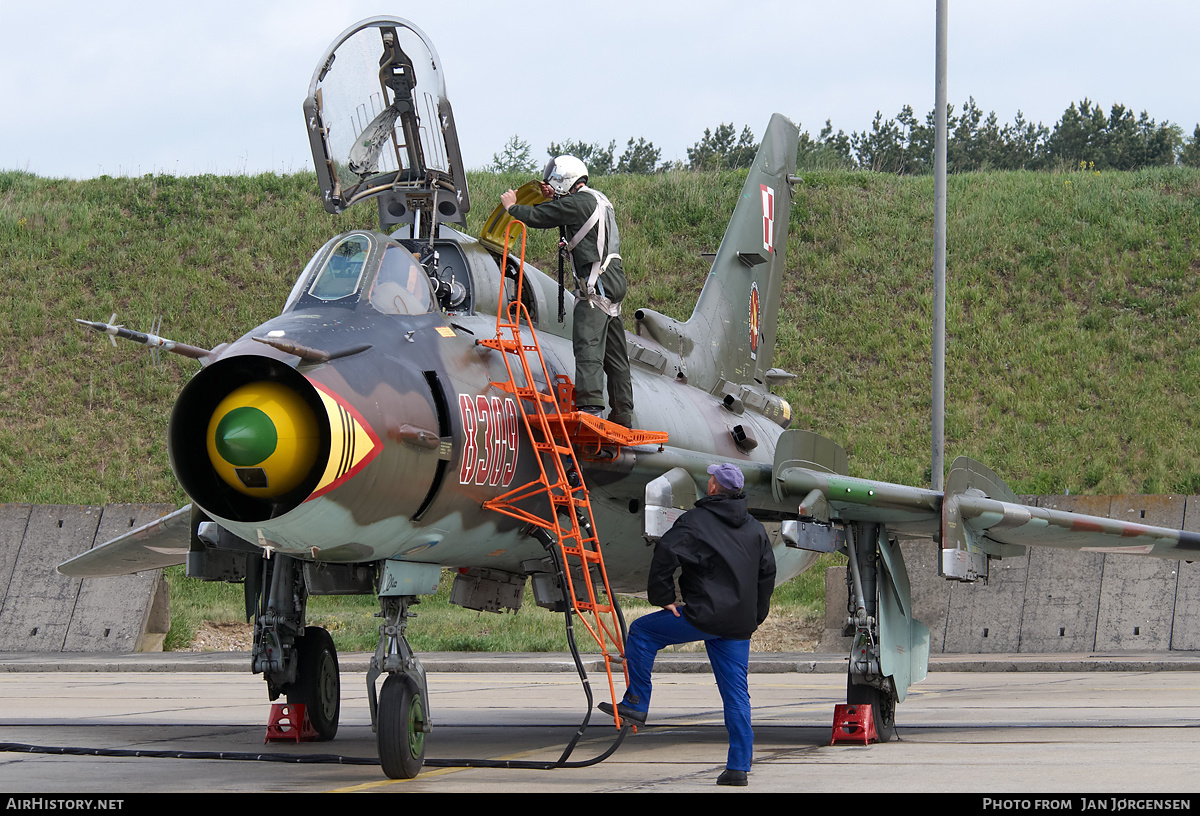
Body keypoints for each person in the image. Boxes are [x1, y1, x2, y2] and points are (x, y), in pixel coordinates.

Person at [599, 463, 776, 786]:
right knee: (736, 695)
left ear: (713, 487)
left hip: (704, 616)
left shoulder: (695, 522)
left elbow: (666, 552)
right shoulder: (754, 528)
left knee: (642, 632)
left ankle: (636, 703)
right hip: (738, 623)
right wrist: (755, 615)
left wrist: (663, 596)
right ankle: (738, 767)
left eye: (710, 478)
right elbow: (767, 574)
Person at [500, 156, 635, 427]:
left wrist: (512, 208)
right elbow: (567, 212)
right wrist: (553, 196)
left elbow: (541, 216)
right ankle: (623, 414)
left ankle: (591, 408)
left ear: (564, 179)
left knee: (588, 348)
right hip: (612, 281)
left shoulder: (578, 203)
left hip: (594, 286)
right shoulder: (597, 199)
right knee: (616, 357)